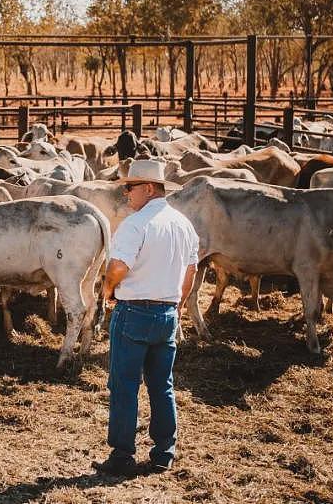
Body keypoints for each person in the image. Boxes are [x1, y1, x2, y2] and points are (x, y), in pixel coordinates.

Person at [95, 159, 199, 477]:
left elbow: (117, 266)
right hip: (167, 312)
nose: (127, 193)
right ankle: (164, 452)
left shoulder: (136, 224)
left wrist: (108, 291)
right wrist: (178, 305)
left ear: (149, 188)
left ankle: (123, 455)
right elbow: (191, 270)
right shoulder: (184, 224)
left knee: (124, 384)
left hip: (134, 311)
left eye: (131, 187)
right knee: (161, 385)